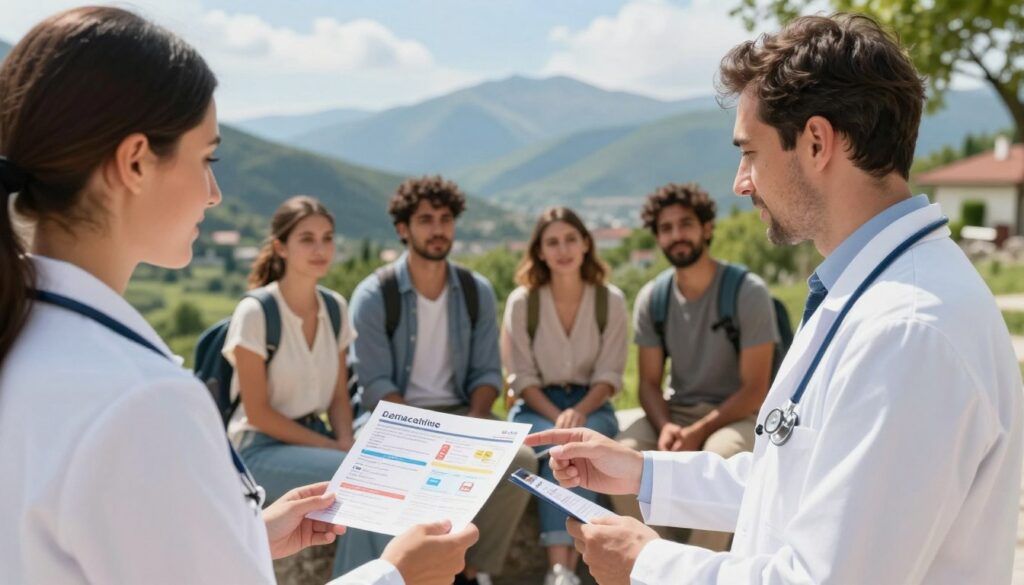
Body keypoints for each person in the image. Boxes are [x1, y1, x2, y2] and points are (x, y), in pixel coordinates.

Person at [527, 13, 1023, 584]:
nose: (741, 182)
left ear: (815, 142)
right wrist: (641, 473)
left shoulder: (907, 331)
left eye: (750, 153)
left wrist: (648, 563)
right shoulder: (871, 294)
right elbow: (793, 486)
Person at [0, 8, 476, 585]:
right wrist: (398, 574)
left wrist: (245, 535)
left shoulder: (26, 341)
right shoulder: (143, 402)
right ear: (133, 163)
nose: (215, 193)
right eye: (207, 159)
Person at [344, 175, 538, 584]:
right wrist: (427, 437)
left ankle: (473, 570)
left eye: (446, 219)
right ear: (403, 229)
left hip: (461, 414)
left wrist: (472, 421)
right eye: (426, 219)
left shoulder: (475, 291)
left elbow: (487, 373)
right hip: (395, 419)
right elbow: (376, 385)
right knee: (377, 475)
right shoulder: (375, 294)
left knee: (522, 462)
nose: (438, 229)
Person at [610, 182, 778, 551]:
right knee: (621, 452)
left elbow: (755, 389)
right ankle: (656, 560)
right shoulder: (653, 298)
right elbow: (649, 384)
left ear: (706, 228)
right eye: (666, 229)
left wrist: (699, 431)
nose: (676, 235)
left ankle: (704, 569)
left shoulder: (746, 292)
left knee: (723, 459)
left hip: (738, 416)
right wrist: (667, 425)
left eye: (685, 224)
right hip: (677, 413)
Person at [224, 195, 357, 578]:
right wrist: (335, 448)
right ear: (280, 246)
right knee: (357, 484)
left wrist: (346, 441)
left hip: (313, 441)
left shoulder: (335, 308)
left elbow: (337, 396)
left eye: (328, 238)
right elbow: (259, 413)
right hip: (257, 450)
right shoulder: (255, 312)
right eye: (307, 239)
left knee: (364, 477)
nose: (321, 249)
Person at [501, 207, 628, 585]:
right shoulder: (523, 303)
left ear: (586, 244)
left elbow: (610, 375)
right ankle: (563, 570)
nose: (563, 250)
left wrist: (577, 411)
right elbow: (521, 378)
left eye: (571, 239)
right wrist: (558, 414)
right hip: (537, 406)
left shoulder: (611, 301)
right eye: (552, 242)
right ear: (539, 251)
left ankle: (563, 573)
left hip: (592, 404)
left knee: (580, 446)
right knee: (561, 449)